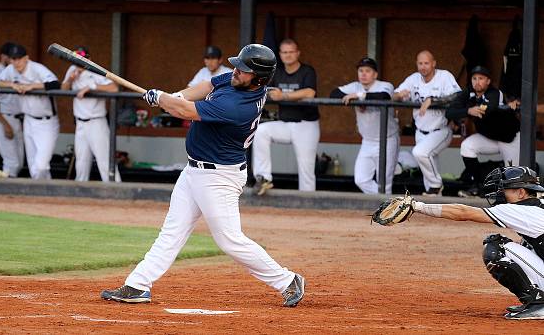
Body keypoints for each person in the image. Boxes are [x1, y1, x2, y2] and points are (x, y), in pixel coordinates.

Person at [100, 44, 305, 307]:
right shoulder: (237, 82)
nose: (236, 71)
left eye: (243, 70)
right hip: (194, 170)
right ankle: (138, 284)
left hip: (219, 177)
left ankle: (287, 280)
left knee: (230, 240)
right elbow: (207, 86)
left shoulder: (238, 106)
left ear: (259, 79)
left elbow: (186, 112)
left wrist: (165, 100)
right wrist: (172, 96)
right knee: (171, 232)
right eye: (237, 66)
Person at [406, 166, 544, 320]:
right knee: (526, 244)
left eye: (505, 189)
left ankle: (539, 304)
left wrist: (417, 206)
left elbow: (463, 212)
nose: (500, 194)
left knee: (497, 247)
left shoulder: (518, 210)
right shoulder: (538, 205)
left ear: (521, 192)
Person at [251, 38, 318, 195]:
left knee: (306, 169)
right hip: (285, 124)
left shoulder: (307, 71)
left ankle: (308, 205)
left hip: (306, 125)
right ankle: (264, 178)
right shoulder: (277, 72)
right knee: (261, 131)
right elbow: (264, 88)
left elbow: (310, 92)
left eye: (291, 52)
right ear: (280, 54)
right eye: (284, 52)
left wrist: (284, 96)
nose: (287, 55)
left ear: (297, 53)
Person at [393, 50, 461, 196]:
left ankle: (437, 186)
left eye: (426, 63)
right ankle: (434, 201)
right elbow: (394, 94)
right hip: (420, 131)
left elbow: (458, 96)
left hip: (441, 130)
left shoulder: (444, 76)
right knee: (427, 171)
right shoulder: (413, 79)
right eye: (420, 63)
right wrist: (399, 95)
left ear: (434, 63)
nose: (423, 66)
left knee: (420, 153)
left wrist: (433, 100)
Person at [446, 66, 520, 198]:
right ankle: (477, 186)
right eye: (474, 78)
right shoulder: (468, 92)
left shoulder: (495, 93)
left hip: (509, 138)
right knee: (467, 146)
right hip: (489, 138)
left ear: (488, 81)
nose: (477, 81)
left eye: (481, 78)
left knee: (513, 177)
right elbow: (449, 111)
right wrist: (468, 110)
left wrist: (470, 108)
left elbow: (487, 110)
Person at [330, 57, 399, 194]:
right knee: (361, 179)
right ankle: (389, 202)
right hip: (367, 141)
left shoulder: (384, 85)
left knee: (384, 182)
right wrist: (355, 94)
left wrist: (359, 96)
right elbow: (334, 94)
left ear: (375, 74)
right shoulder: (355, 86)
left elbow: (384, 96)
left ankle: (387, 209)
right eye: (361, 70)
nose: (363, 74)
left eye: (368, 71)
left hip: (387, 140)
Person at [0, 44, 60, 180]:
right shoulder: (10, 69)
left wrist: (32, 86)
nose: (16, 62)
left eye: (19, 58)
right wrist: (12, 84)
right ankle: (43, 195)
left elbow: (55, 84)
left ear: (26, 58)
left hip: (46, 121)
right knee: (33, 167)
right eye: (13, 59)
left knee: (41, 165)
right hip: (28, 121)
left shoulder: (37, 69)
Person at [61, 46, 121, 182]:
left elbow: (114, 88)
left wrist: (92, 87)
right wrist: (70, 80)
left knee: (104, 160)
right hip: (80, 124)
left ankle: (116, 191)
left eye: (82, 59)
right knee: (81, 162)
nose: (79, 62)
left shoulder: (96, 71)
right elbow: (63, 89)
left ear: (89, 59)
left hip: (96, 123)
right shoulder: (72, 70)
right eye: (76, 59)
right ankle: (81, 194)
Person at [0, 42, 24, 178]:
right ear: (3, 56)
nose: (13, 60)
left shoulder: (18, 72)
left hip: (17, 119)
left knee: (20, 163)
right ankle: (3, 195)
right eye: (11, 57)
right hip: (2, 118)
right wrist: (5, 125)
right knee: (12, 163)